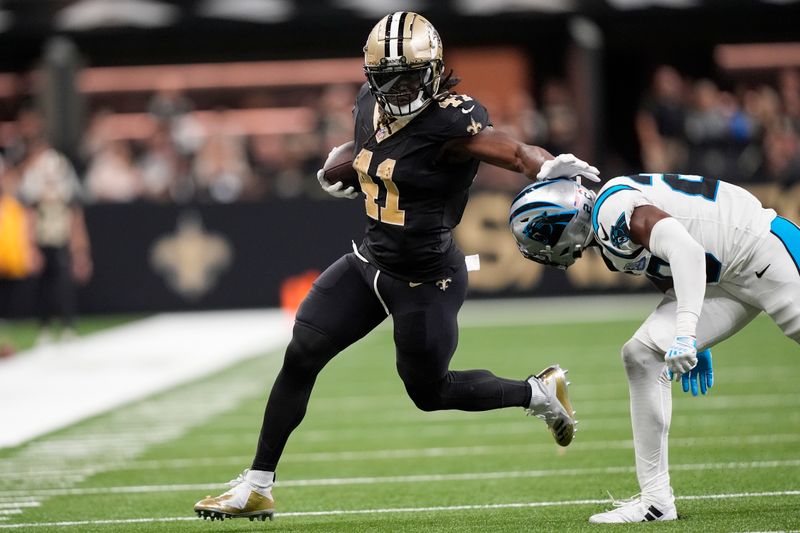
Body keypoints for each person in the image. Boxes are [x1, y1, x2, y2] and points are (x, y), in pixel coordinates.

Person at [193, 11, 599, 522]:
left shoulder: (451, 122)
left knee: (430, 392)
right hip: (369, 263)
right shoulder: (369, 104)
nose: (401, 89)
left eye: (411, 76)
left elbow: (514, 151)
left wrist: (544, 166)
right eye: (389, 79)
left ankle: (537, 392)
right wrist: (347, 165)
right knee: (301, 355)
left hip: (427, 279)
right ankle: (257, 485)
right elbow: (369, 151)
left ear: (434, 71)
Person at [509, 173, 800, 523]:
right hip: (726, 276)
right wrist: (695, 333)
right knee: (642, 355)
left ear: (558, 225)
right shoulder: (607, 229)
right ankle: (656, 501)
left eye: (540, 240)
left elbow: (686, 251)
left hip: (766, 252)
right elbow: (669, 269)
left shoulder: (611, 211)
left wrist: (686, 332)